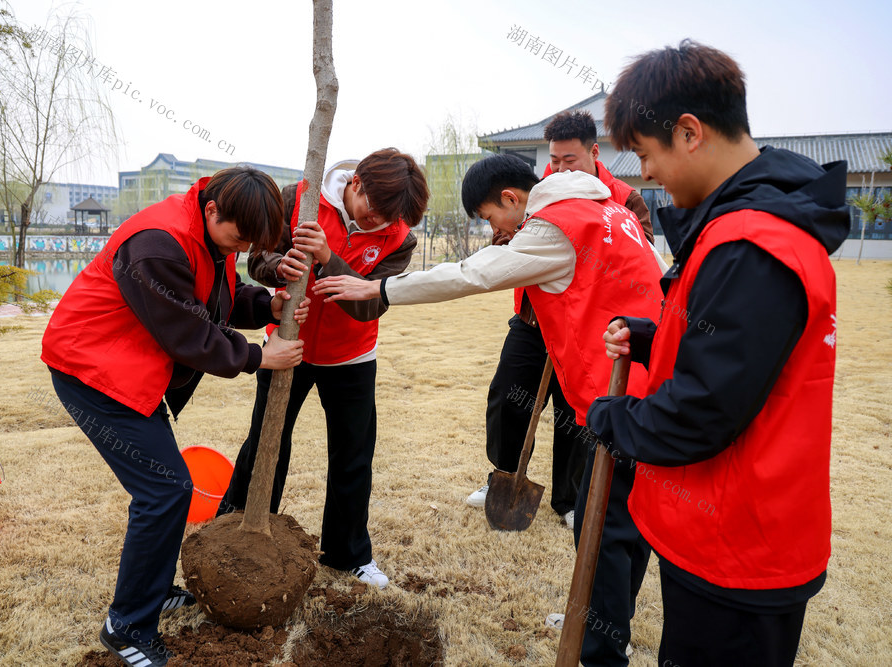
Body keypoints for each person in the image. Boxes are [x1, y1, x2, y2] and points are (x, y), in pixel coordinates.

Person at [314, 154, 665, 664]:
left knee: (603, 526)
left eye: (489, 217)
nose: (494, 229)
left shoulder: (553, 227)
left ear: (510, 198)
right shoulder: (611, 211)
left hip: (624, 392)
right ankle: (600, 616)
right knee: (617, 522)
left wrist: (380, 287)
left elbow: (472, 275)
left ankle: (601, 645)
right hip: (652, 381)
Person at [587, 40, 849, 666]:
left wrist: (609, 419)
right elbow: (742, 351)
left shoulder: (751, 243)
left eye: (647, 154)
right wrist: (655, 340)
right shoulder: (741, 224)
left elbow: (702, 410)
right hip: (733, 531)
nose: (644, 174)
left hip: (738, 545)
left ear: (689, 132)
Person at [40, 167, 307, 667]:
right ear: (212, 209)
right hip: (90, 369)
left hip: (124, 367)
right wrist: (258, 357)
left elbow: (214, 301)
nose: (240, 248)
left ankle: (153, 590)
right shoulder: (157, 245)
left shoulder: (209, 238)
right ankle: (126, 626)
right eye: (238, 237)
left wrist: (268, 303)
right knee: (164, 489)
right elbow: (188, 332)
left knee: (166, 489)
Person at [221, 148, 429, 590]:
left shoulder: (401, 237)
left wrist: (329, 257)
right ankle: (237, 526)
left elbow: (370, 305)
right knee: (265, 441)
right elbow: (258, 259)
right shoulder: (301, 197)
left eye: (390, 221)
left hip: (351, 354)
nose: (381, 225)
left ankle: (348, 553)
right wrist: (282, 265)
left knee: (353, 456)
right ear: (356, 184)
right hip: (287, 345)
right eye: (374, 213)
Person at [469, 110, 655, 538]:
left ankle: (568, 498)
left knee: (574, 414)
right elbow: (509, 245)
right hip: (533, 319)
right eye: (553, 161)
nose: (558, 170)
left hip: (589, 327)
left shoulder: (623, 199)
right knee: (507, 395)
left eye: (568, 160)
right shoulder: (543, 196)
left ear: (593, 152)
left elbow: (635, 260)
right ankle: (505, 471)